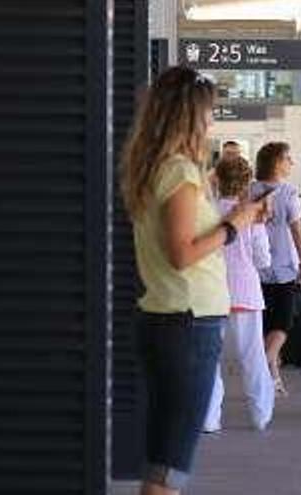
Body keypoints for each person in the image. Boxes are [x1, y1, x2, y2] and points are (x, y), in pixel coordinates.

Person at [120, 66, 267, 495]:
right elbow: (182, 253)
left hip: (167, 318)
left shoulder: (153, 169)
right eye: (208, 112)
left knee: (164, 457)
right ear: (188, 116)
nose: (212, 121)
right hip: (188, 322)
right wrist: (234, 224)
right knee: (170, 465)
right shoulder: (181, 173)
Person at [203, 156, 275, 434]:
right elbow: (263, 259)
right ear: (248, 183)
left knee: (210, 359)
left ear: (217, 179)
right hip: (246, 292)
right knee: (253, 356)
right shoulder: (252, 215)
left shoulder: (208, 212)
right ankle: (261, 414)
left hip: (212, 293)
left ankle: (209, 418)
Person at [251, 141, 301, 397]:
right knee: (283, 323)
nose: (291, 163)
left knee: (266, 325)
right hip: (284, 268)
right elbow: (297, 231)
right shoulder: (288, 193)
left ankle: (272, 378)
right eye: (288, 158)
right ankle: (267, 359)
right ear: (276, 161)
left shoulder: (250, 190)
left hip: (256, 268)